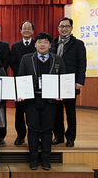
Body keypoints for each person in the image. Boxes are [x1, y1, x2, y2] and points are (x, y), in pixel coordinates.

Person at [17, 32, 66, 170]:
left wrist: (60, 93)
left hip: (50, 100)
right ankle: (33, 158)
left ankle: (45, 158)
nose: (42, 44)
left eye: (45, 42)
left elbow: (62, 80)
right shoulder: (27, 59)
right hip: (32, 100)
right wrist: (21, 93)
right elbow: (21, 78)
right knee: (32, 129)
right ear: (35, 44)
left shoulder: (58, 59)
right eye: (40, 42)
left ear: (50, 45)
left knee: (47, 130)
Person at [50, 17, 87, 147]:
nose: (64, 29)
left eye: (66, 26)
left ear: (71, 28)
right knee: (56, 112)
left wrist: (80, 81)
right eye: (61, 26)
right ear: (58, 28)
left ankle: (70, 137)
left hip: (70, 83)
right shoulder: (53, 43)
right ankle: (58, 136)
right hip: (55, 83)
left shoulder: (78, 44)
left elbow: (82, 63)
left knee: (70, 112)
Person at [10, 20, 36, 145]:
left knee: (34, 109)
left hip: (35, 82)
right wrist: (21, 75)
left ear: (32, 31)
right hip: (19, 82)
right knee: (19, 111)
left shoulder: (38, 44)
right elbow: (13, 62)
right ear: (20, 31)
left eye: (29, 28)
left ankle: (35, 134)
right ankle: (20, 135)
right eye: (24, 28)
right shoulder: (15, 46)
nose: (26, 30)